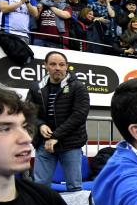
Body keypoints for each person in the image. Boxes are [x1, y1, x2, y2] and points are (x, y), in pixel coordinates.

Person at [26, 51, 90, 192]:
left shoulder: (78, 87)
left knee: (74, 187)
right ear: (45, 66)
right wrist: (40, 125)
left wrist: (55, 136)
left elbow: (79, 115)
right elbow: (28, 112)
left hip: (70, 144)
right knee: (40, 187)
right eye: (53, 64)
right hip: (43, 144)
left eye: (61, 64)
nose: (57, 68)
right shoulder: (36, 87)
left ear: (66, 66)